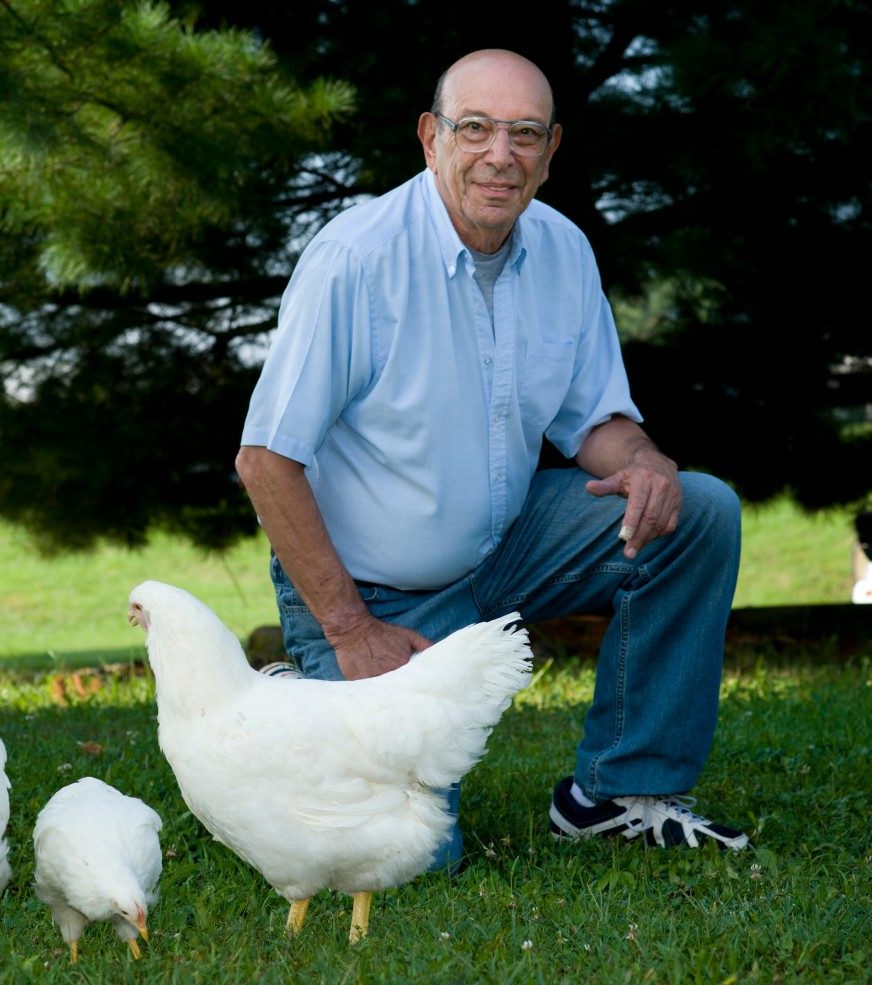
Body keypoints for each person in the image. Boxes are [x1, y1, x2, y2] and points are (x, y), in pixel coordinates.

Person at [236, 48, 748, 866]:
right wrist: (350, 626)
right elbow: (265, 460)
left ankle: (619, 793)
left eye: (524, 134)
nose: (499, 154)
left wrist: (646, 459)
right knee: (412, 859)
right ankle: (296, 711)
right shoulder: (355, 260)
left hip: (504, 549)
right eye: (474, 128)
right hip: (371, 593)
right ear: (430, 137)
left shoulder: (563, 249)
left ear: (551, 154)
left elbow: (598, 425)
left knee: (696, 508)